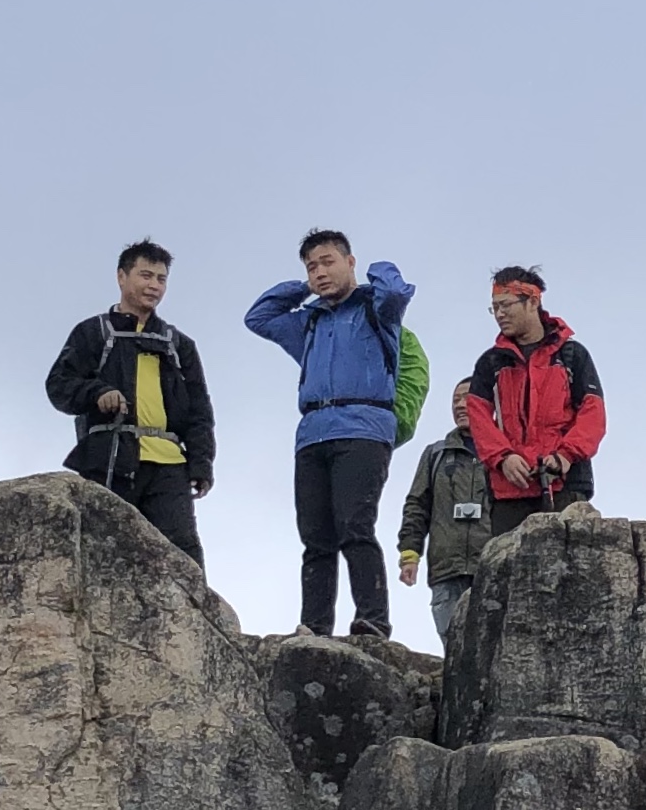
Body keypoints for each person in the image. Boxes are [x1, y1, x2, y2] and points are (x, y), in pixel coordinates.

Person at [245, 232, 416, 646]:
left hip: (364, 427)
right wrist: (303, 288)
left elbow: (397, 291)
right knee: (315, 537)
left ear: (349, 261)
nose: (320, 272)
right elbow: (259, 317)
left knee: (355, 526)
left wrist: (372, 271)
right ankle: (314, 626)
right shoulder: (309, 321)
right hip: (313, 432)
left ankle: (372, 621)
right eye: (311, 266)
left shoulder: (377, 309)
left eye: (327, 262)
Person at [46, 240, 217, 564]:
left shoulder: (179, 345)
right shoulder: (93, 333)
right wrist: (97, 392)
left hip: (169, 464)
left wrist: (201, 463)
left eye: (161, 279)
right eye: (146, 275)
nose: (154, 286)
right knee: (105, 553)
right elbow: (59, 386)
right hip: (110, 458)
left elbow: (200, 410)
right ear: (121, 277)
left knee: (181, 557)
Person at [462, 270, 606, 534]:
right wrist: (503, 457)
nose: (499, 314)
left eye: (506, 305)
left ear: (533, 301)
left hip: (565, 483)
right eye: (494, 308)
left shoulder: (572, 355)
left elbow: (592, 413)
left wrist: (566, 455)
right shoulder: (490, 362)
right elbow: (478, 416)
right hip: (508, 492)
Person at [398, 381, 495, 643]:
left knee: (492, 648)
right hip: (446, 570)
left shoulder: (504, 454)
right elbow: (416, 506)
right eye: (455, 400)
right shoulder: (436, 455)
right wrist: (409, 555)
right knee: (455, 649)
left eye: (467, 399)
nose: (460, 406)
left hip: (492, 567)